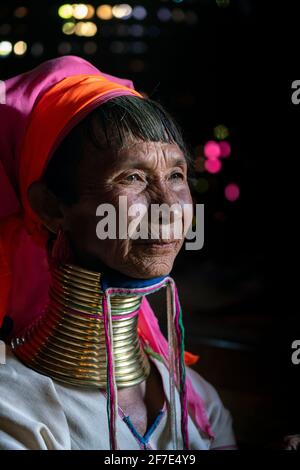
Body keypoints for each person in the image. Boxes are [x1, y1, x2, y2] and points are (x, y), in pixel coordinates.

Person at [0, 56, 236, 450]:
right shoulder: (14, 407)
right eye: (133, 177)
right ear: (51, 207)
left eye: (177, 175)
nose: (169, 208)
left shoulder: (197, 401)